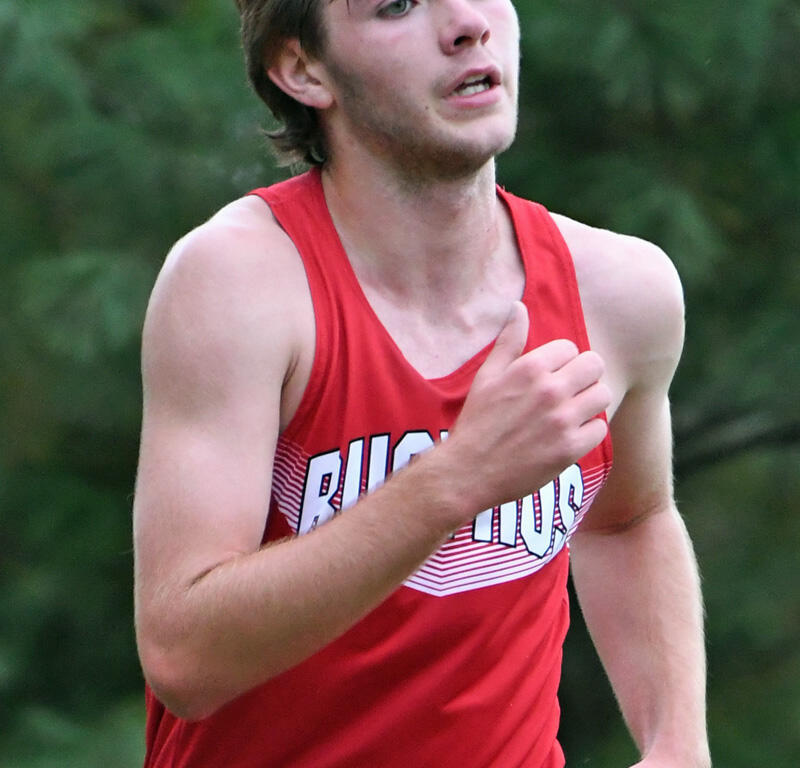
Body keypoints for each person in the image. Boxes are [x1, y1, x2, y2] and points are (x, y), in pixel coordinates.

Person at [133, 1, 711, 766]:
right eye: (398, 5)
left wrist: (678, 745)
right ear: (303, 69)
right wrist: (456, 478)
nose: (467, 22)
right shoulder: (239, 283)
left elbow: (627, 519)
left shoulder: (618, 290)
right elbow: (184, 658)